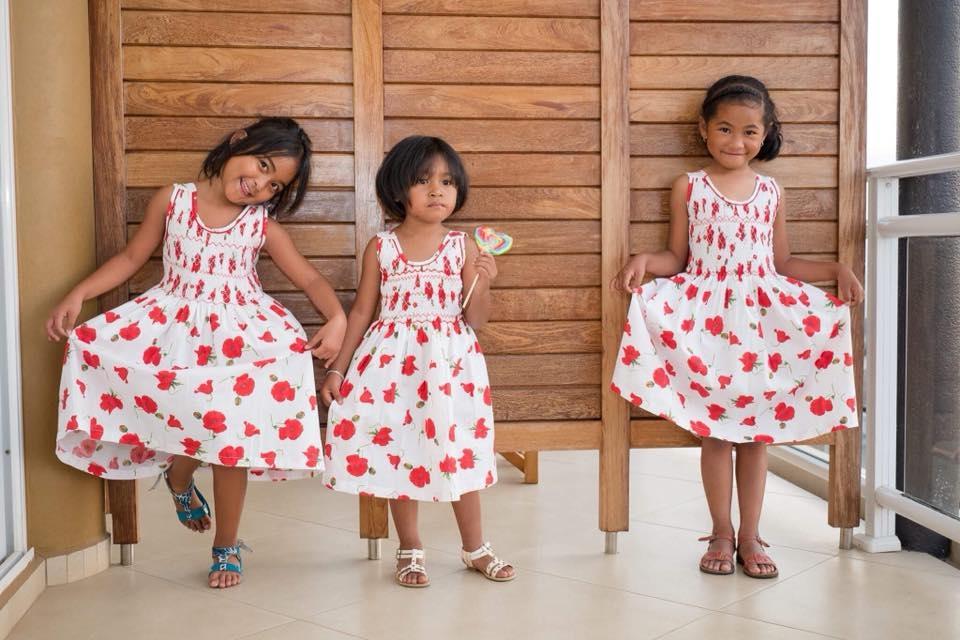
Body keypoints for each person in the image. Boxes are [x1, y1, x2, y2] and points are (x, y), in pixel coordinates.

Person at [49, 117, 347, 588]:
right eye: (262, 165)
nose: (260, 185)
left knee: (230, 441)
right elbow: (131, 259)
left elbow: (308, 278)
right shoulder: (173, 201)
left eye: (274, 185)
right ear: (238, 141)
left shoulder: (260, 225)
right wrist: (78, 294)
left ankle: (226, 544)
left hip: (240, 341)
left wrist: (337, 318)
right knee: (190, 420)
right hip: (175, 332)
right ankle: (179, 476)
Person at [610, 76, 862, 579]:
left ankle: (751, 535)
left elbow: (782, 263)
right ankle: (721, 533)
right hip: (708, 323)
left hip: (760, 325)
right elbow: (677, 258)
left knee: (755, 436)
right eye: (725, 128)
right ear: (703, 129)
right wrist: (644, 260)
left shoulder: (771, 190)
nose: (736, 141)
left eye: (749, 131)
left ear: (765, 134)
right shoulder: (689, 186)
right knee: (716, 434)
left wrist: (835, 270)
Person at [320, 135, 515, 587]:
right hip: (392, 369)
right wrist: (338, 369)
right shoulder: (381, 248)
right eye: (423, 180)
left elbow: (475, 318)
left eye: (447, 182)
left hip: (449, 369)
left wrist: (485, 281)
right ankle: (409, 546)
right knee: (399, 450)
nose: (436, 191)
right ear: (397, 188)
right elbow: (362, 312)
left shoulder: (464, 246)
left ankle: (474, 546)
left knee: (458, 449)